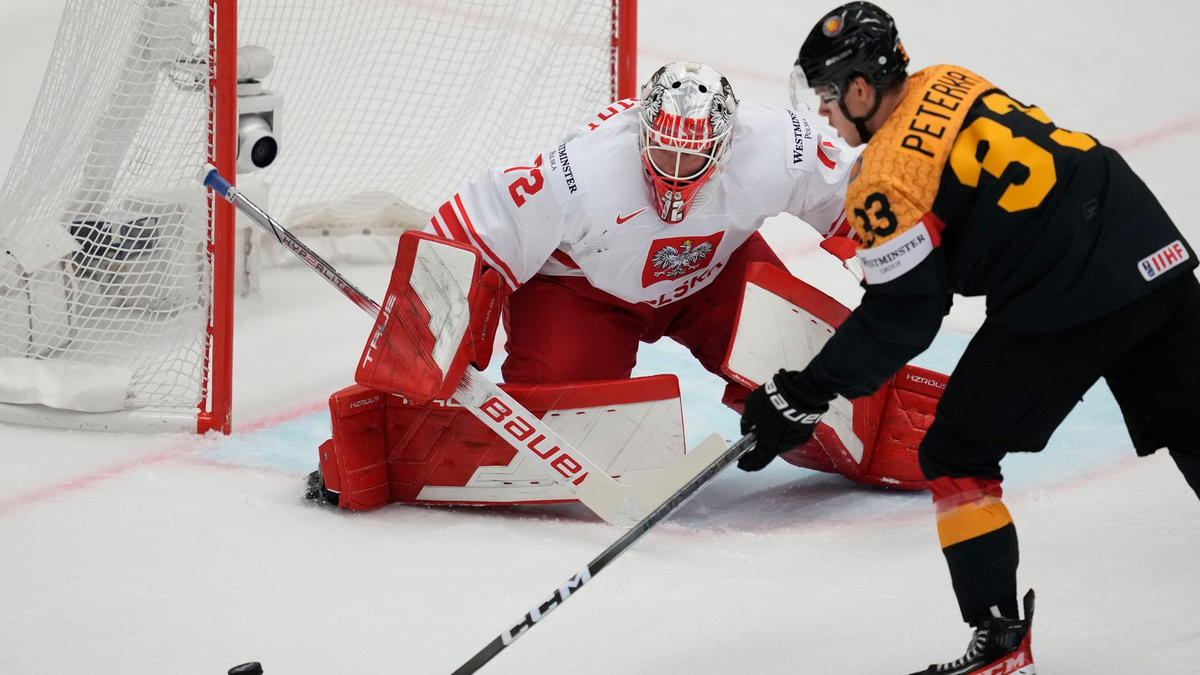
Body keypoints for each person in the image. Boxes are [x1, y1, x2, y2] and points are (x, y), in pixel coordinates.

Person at [737, 3, 1200, 673]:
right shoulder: (949, 79)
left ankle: (999, 644)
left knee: (957, 449)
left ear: (862, 88)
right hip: (1144, 236)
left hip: (1068, 288)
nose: (825, 114)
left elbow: (906, 317)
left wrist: (803, 392)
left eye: (828, 95)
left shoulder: (885, 177)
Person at [307, 60, 942, 515]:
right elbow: (470, 230)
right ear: (640, 131)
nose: (674, 173)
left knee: (804, 368)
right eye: (662, 154)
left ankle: (878, 426)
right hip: (582, 292)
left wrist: (895, 263)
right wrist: (426, 347)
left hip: (713, 274)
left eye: (693, 160)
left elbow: (860, 203)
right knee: (568, 430)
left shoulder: (778, 144)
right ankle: (402, 444)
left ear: (726, 144)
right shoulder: (581, 169)